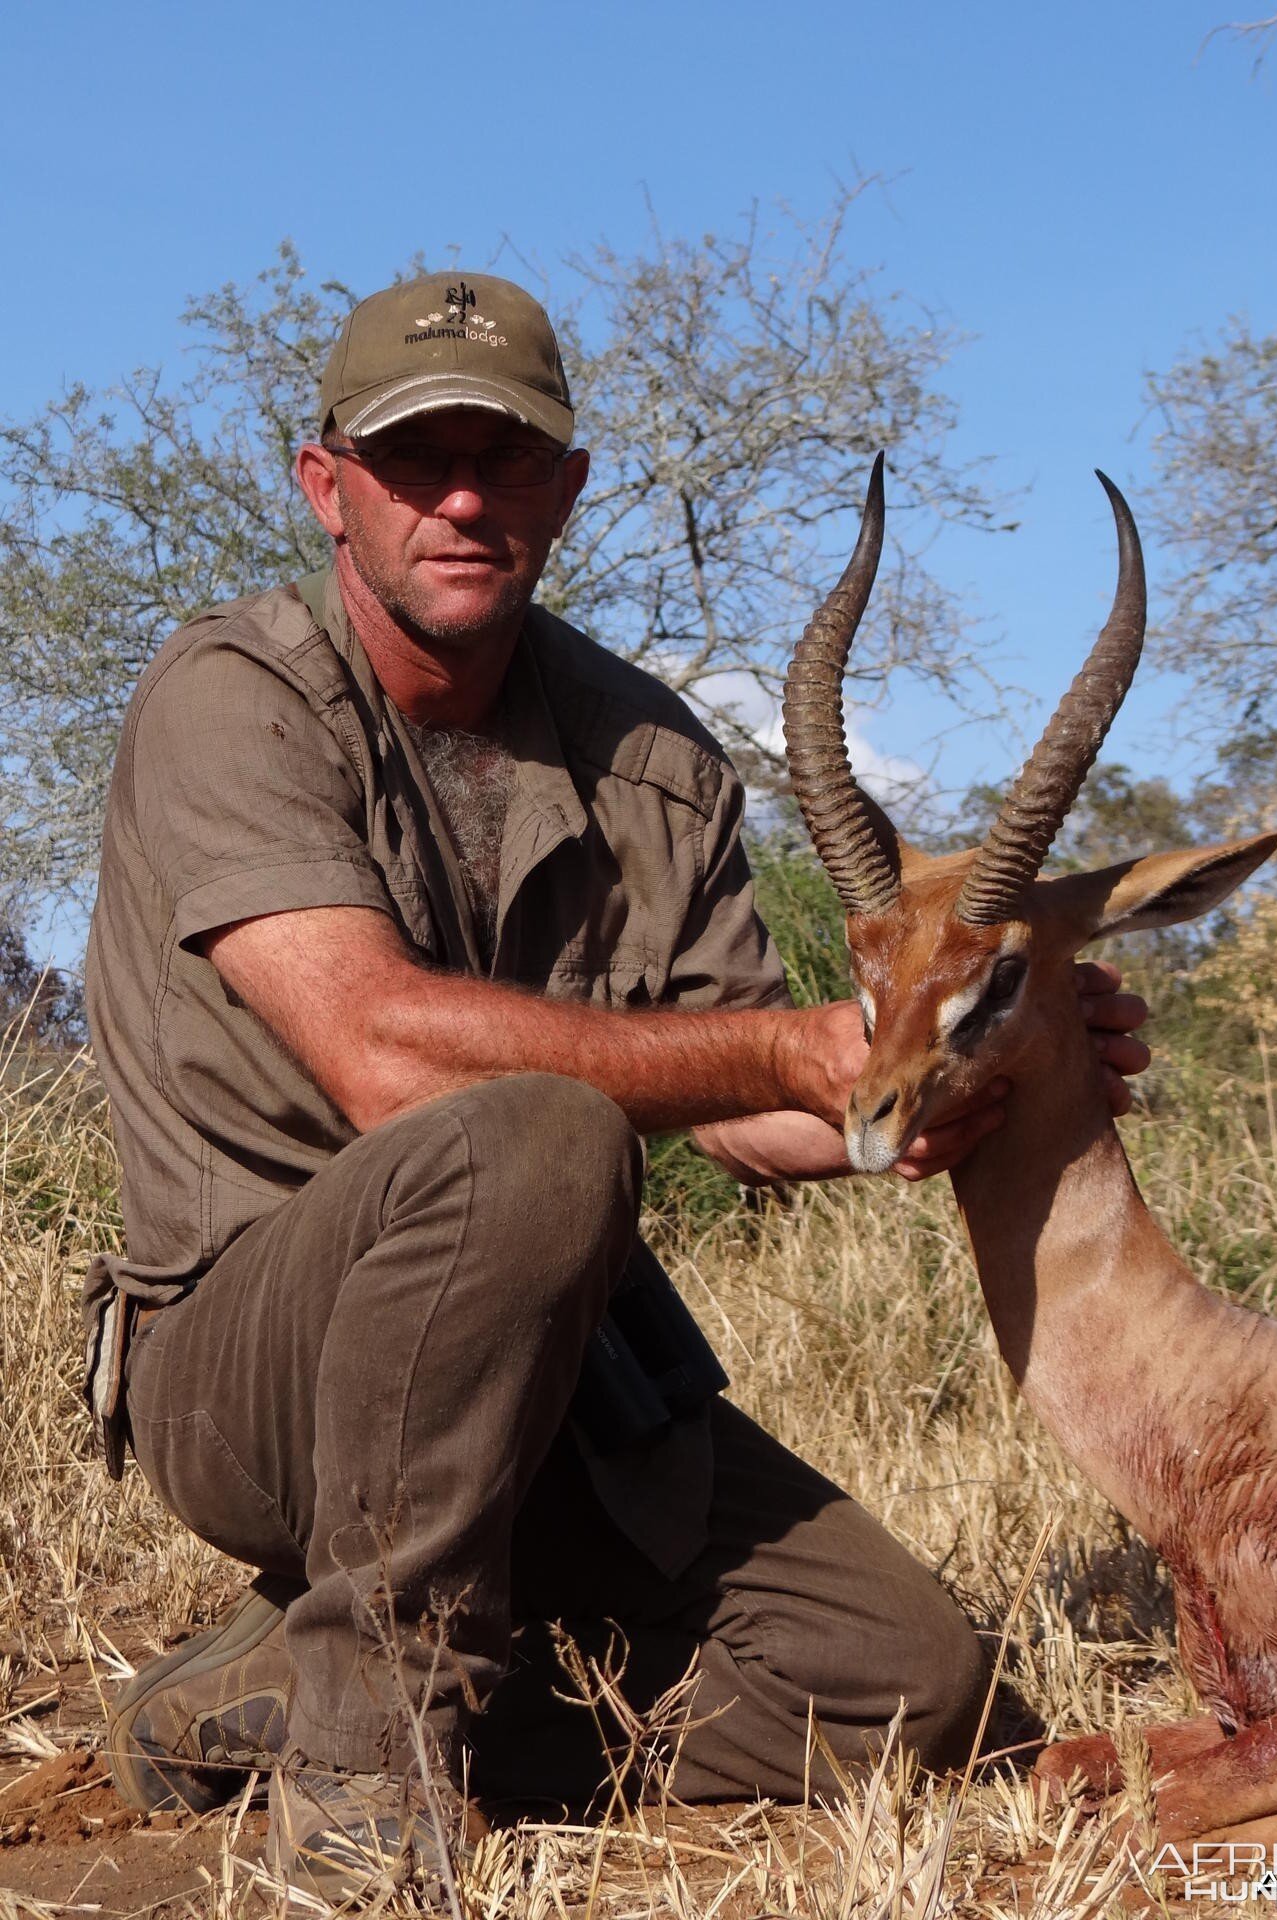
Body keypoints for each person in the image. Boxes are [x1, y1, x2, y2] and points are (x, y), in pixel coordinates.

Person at [85, 270, 1149, 1898]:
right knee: (527, 1130)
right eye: (412, 458)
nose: (460, 499)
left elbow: (762, 1112)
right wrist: (787, 1041)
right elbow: (382, 1052)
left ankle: (270, 1692)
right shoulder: (231, 697)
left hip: (553, 1369)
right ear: (326, 486)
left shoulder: (650, 752)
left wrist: (957, 1071)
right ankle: (372, 1760)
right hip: (255, 1374)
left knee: (913, 1690)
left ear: (566, 490)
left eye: (506, 461)